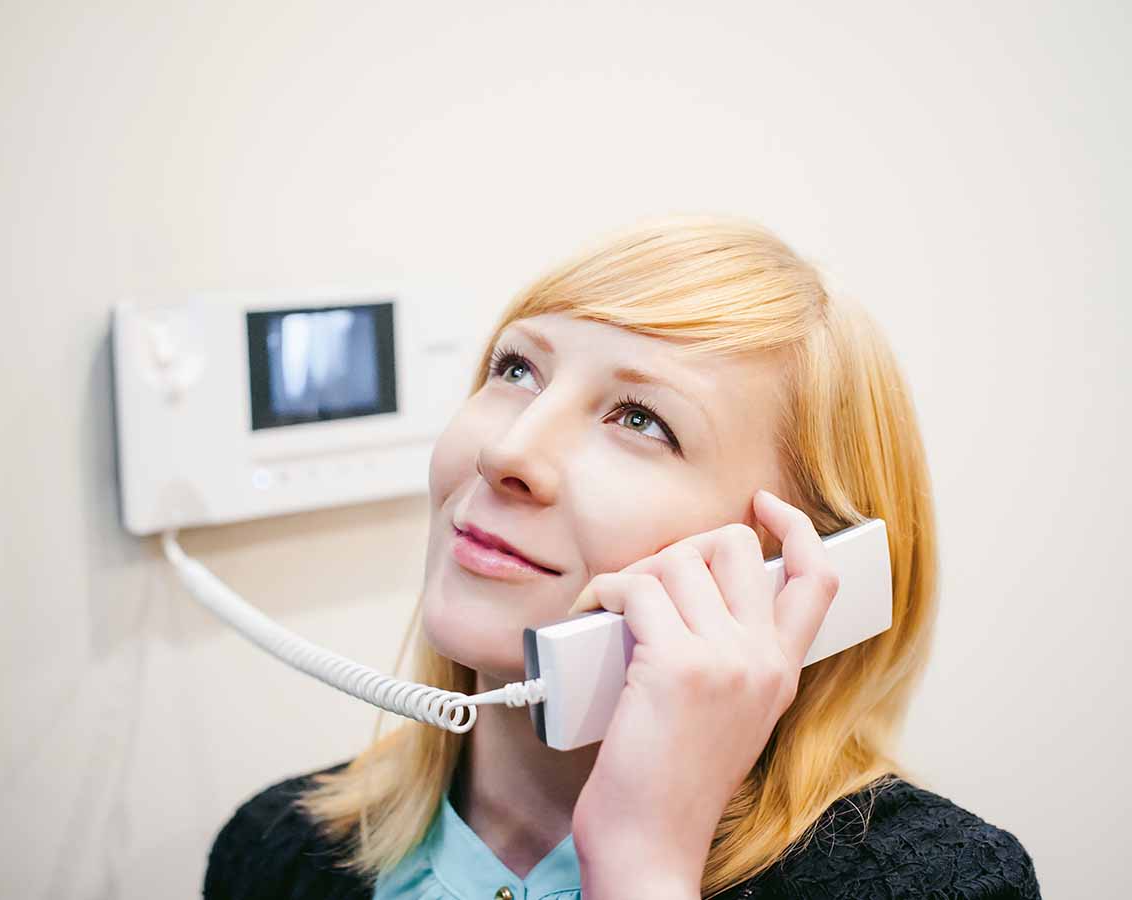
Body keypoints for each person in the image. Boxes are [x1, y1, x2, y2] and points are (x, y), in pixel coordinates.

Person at [203, 218, 1042, 899]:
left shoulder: (933, 885)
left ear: (800, 572)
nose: (509, 452)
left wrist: (643, 867)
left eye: (640, 419)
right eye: (518, 368)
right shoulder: (275, 853)